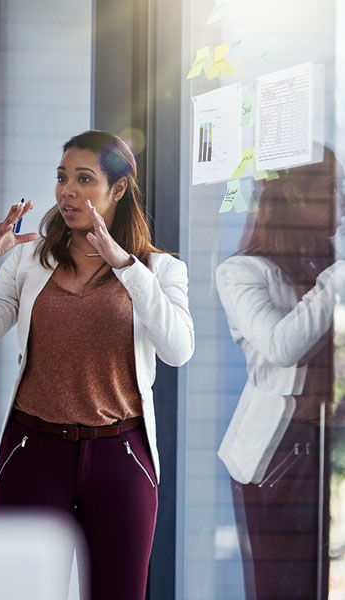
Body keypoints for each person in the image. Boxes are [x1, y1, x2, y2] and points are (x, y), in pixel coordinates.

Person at [0, 130, 194, 600]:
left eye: (84, 179)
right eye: (62, 177)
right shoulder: (29, 258)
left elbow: (178, 350)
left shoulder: (160, 269)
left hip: (120, 457)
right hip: (32, 451)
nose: (67, 190)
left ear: (119, 190)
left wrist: (127, 267)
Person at [216, 149, 345, 599]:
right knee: (283, 589)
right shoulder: (240, 273)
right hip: (278, 458)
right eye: (331, 189)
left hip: (327, 444)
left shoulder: (322, 268)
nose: (341, 202)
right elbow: (280, 346)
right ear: (293, 195)